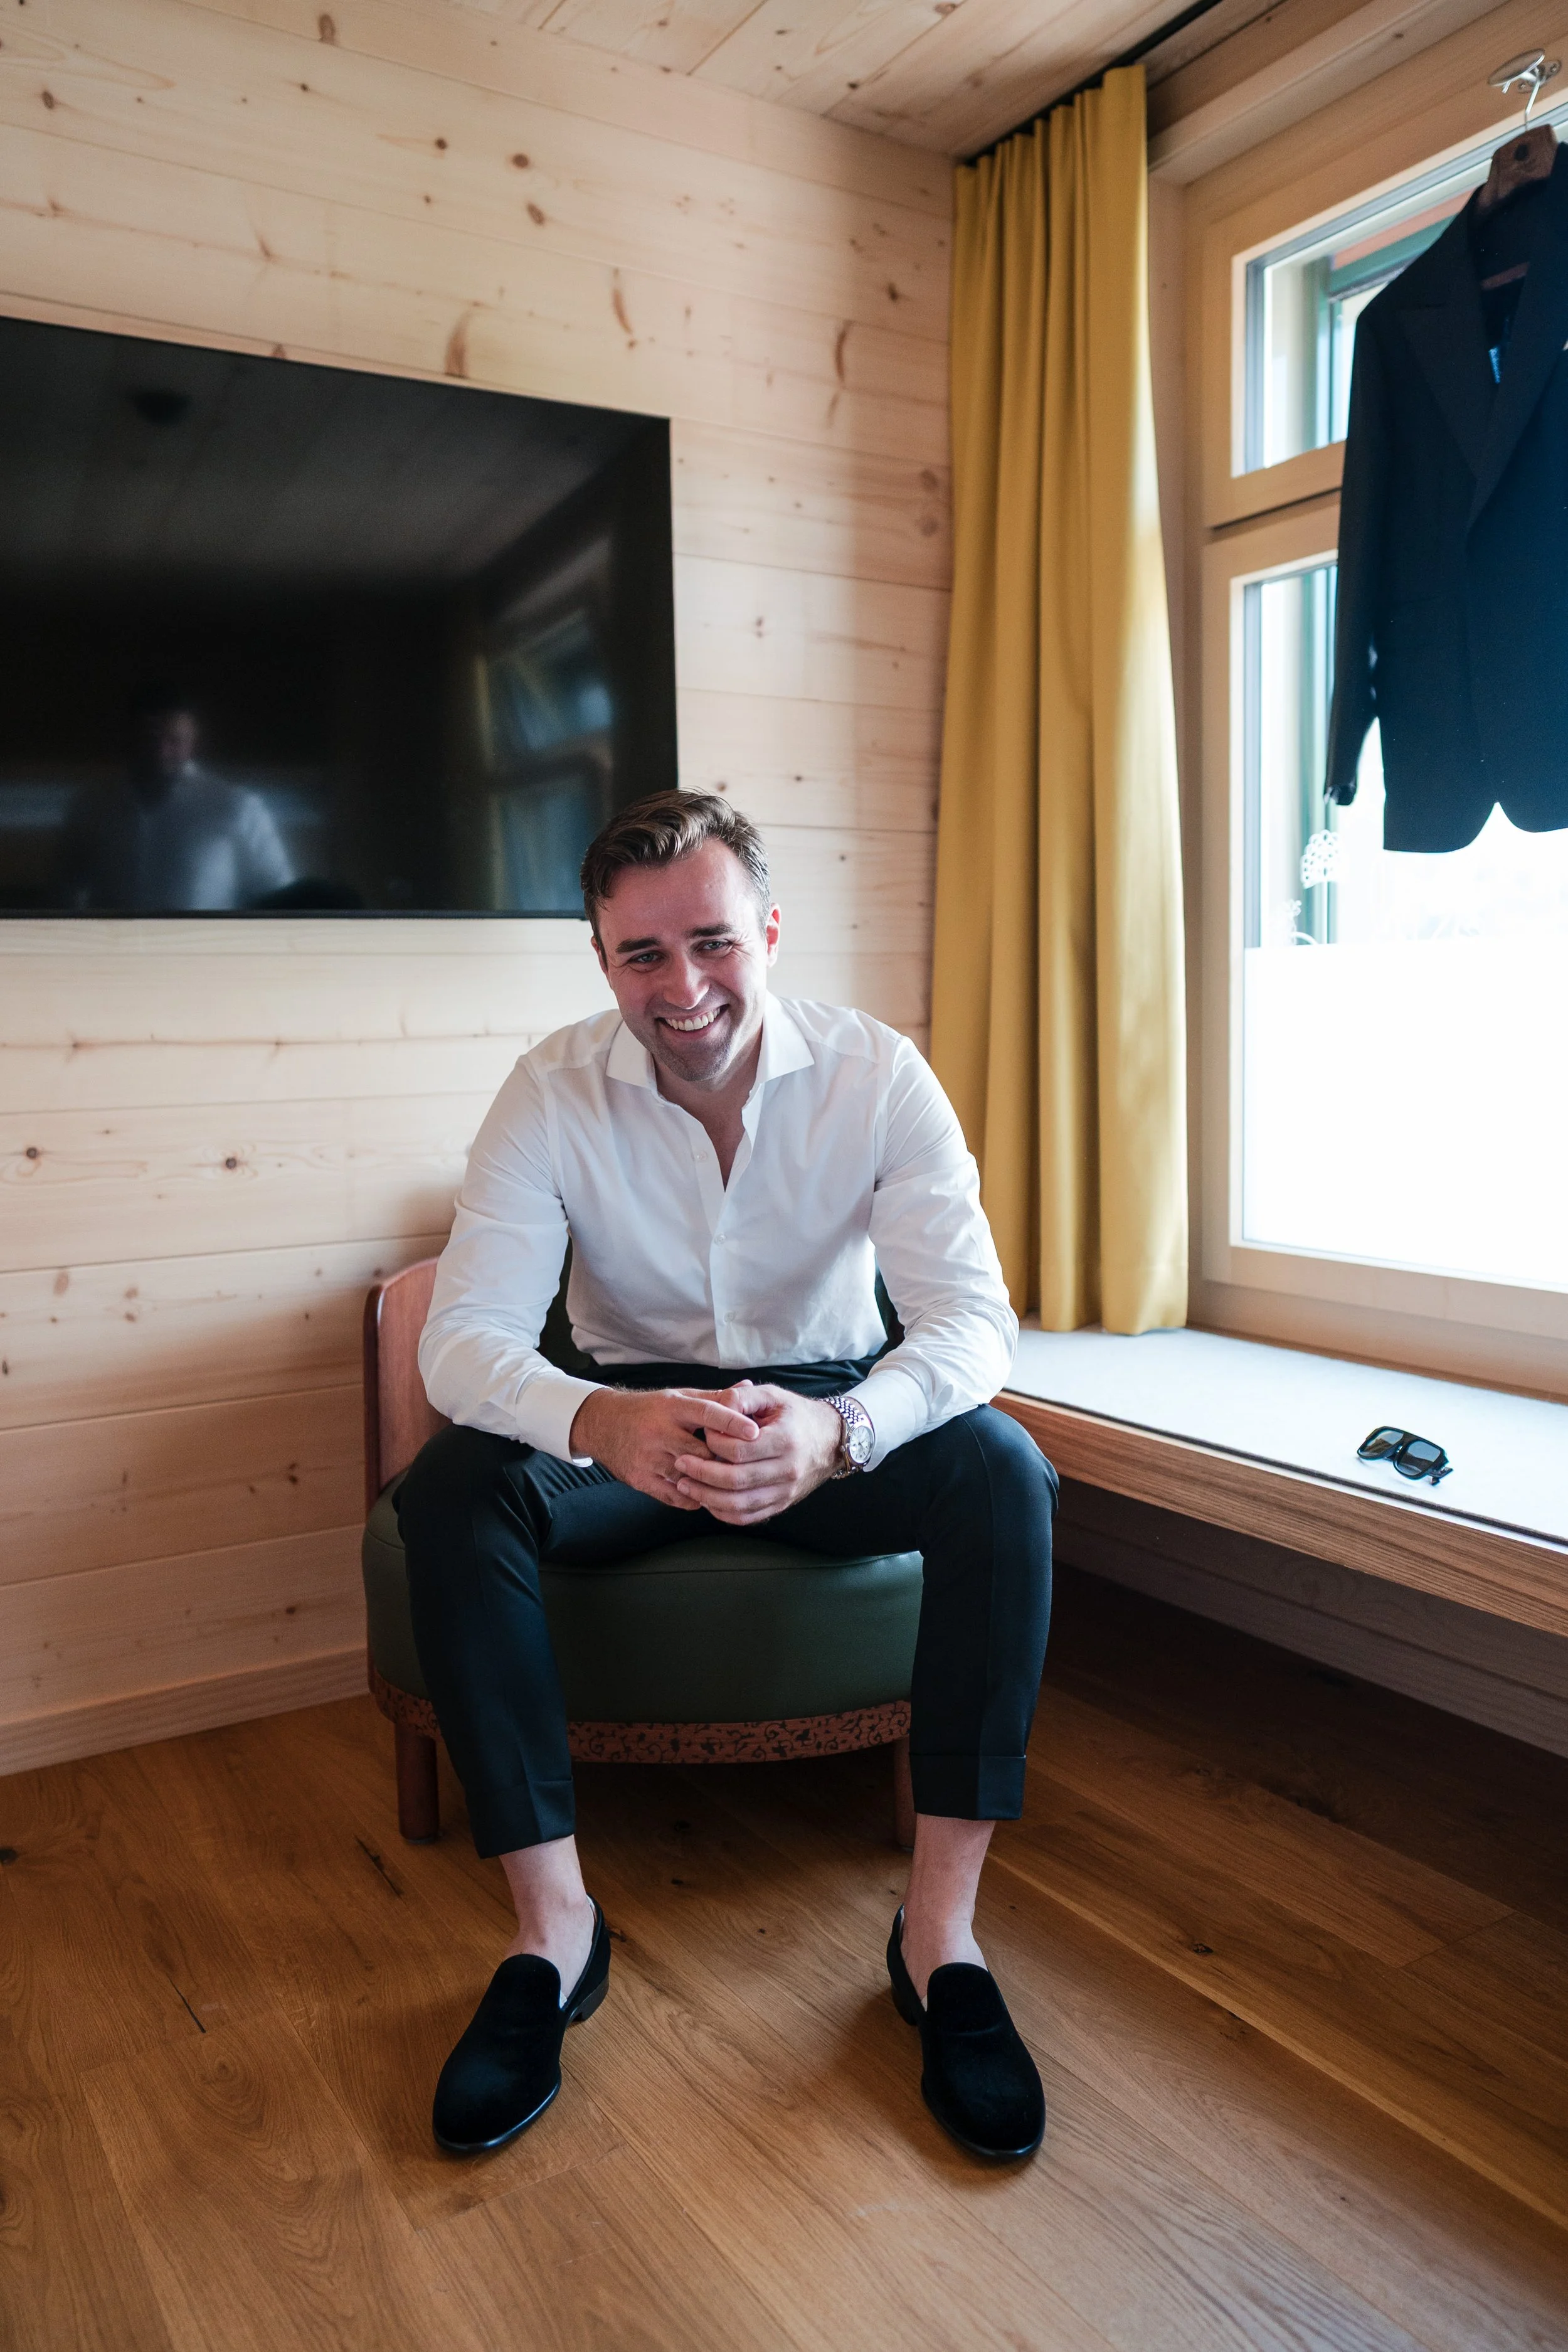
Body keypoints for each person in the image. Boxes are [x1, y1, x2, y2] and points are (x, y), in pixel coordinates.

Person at [397, 790, 1057, 2164]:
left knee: (1002, 1468)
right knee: (453, 1488)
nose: (681, 987)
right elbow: (462, 1340)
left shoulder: (879, 1075)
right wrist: (597, 1423)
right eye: (642, 954)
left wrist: (842, 1430)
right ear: (600, 959)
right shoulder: (547, 1088)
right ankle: (552, 1934)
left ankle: (938, 1938)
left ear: (765, 929)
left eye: (710, 941)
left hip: (828, 1406)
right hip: (629, 1415)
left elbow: (970, 1323)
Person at [60, 686, 294, 912]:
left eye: (174, 741)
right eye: (150, 739)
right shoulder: (92, 805)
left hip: (203, 950)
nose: (161, 752)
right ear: (130, 738)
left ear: (193, 738)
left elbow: (279, 894)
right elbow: (65, 891)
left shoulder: (237, 807)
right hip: (114, 949)